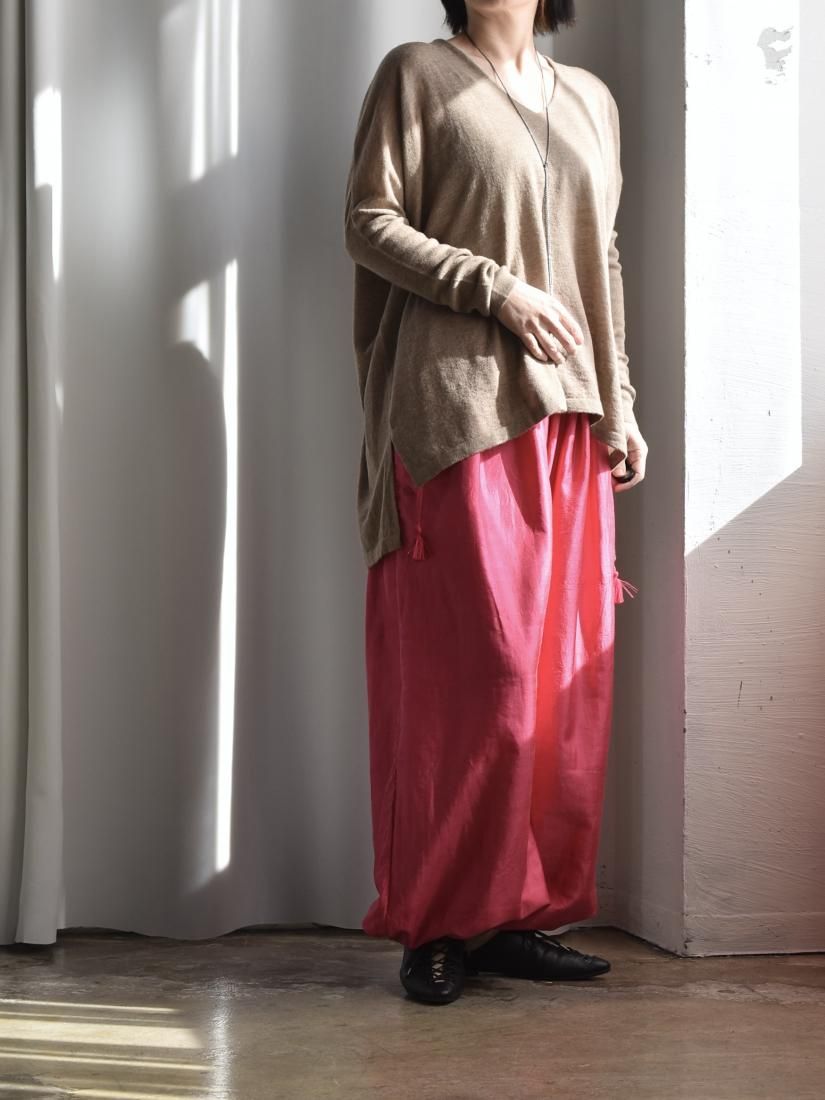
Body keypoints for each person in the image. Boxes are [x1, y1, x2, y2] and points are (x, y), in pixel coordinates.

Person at [343, 0, 648, 1005]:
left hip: (571, 420)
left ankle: (512, 915)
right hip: (456, 414)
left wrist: (621, 404)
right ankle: (435, 923)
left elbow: (602, 260)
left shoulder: (591, 99)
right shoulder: (417, 75)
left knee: (559, 686)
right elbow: (368, 221)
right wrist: (496, 288)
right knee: (469, 680)